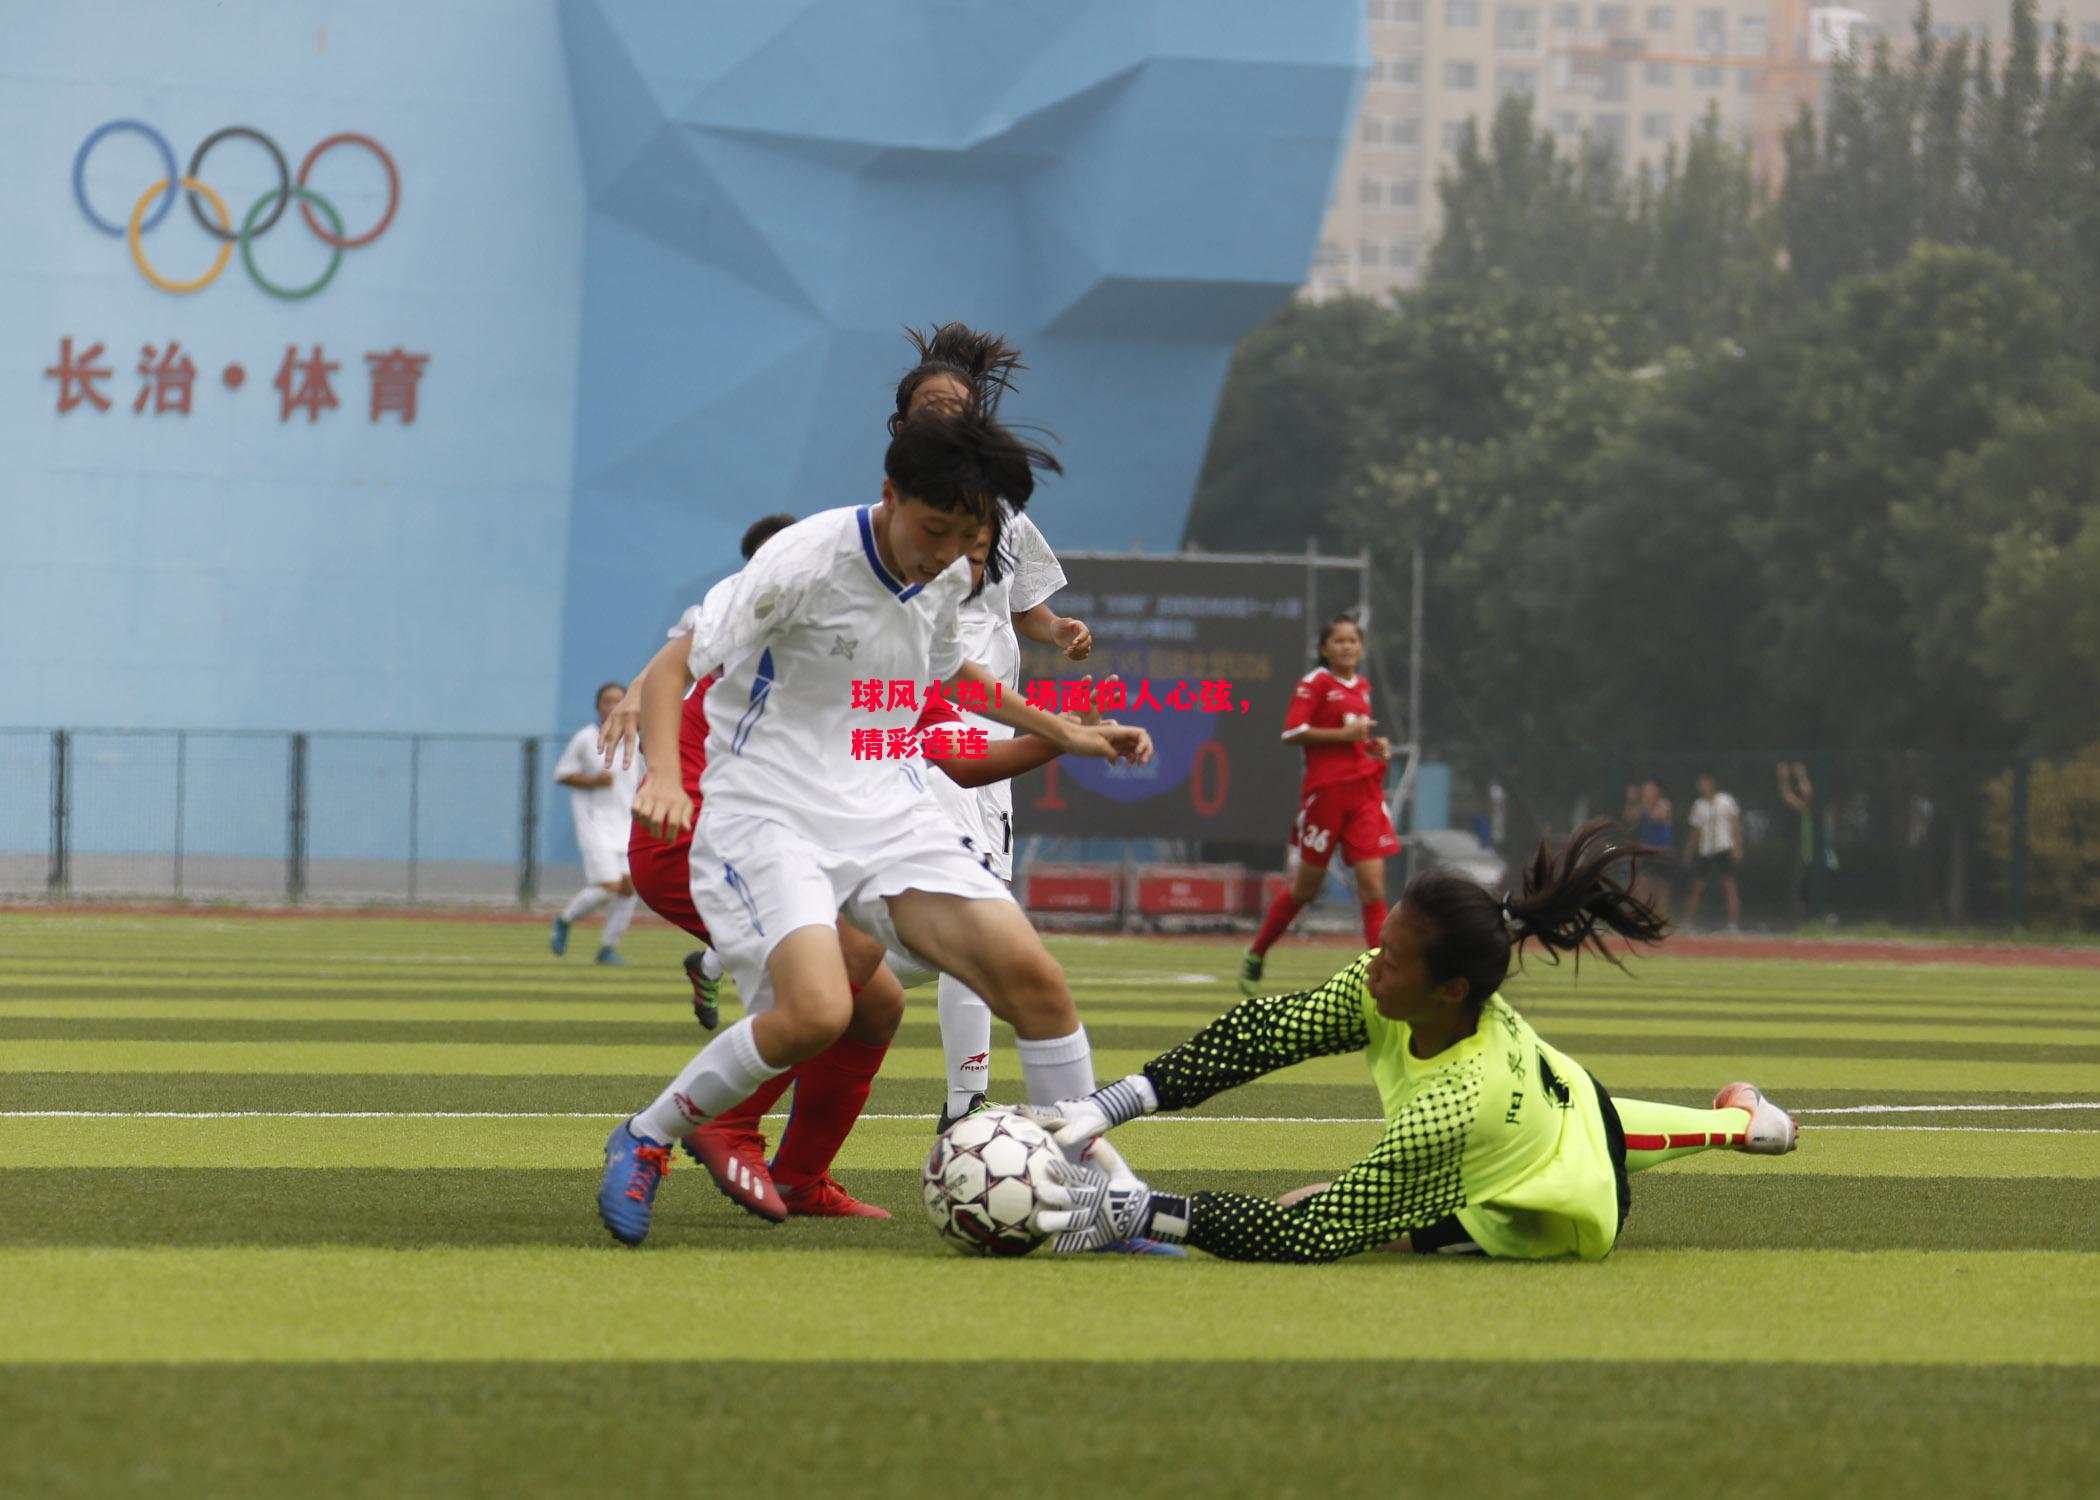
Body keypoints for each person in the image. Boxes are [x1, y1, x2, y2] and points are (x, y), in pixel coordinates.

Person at [596, 407, 1151, 1246]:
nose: (945, 554)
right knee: (817, 1012)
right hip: (768, 814)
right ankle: (648, 1136)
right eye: (934, 530)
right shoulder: (803, 561)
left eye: (967, 538)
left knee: (1033, 981)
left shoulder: (947, 574)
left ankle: (1082, 1207)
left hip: (883, 813)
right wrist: (668, 777)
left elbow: (953, 675)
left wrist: (1065, 729)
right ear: (889, 493)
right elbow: (678, 662)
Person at [1027, 819, 1800, 1261]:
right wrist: (1120, 1100)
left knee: (1317, 1203)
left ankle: (1742, 1124)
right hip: (1569, 1096)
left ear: (1450, 990)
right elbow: (1264, 1032)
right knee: (1599, 1119)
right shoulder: (1386, 984)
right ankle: (1746, 1123)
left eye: (1392, 961)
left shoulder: (1456, 1107)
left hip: (1534, 1198)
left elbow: (1311, 1234)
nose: (1372, 969)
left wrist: (1149, 1211)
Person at [890, 323, 1093, 1132]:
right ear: (900, 428)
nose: (945, 416)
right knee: (975, 909)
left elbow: (1027, 609)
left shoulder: (1005, 515)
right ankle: (966, 1103)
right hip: (929, 723)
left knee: (957, 917)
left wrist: (1060, 632)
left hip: (990, 725)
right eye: (929, 406)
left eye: (958, 406)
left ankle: (771, 960)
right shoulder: (891, 514)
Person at [1238, 615, 1398, 997]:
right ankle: (1257, 952)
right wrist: (1344, 735)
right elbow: (1292, 732)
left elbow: (1353, 739)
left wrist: (1373, 747)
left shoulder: (1362, 686)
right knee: (1306, 889)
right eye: (1339, 641)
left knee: (1373, 888)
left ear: (1361, 647)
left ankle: (1380, 973)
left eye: (1353, 641)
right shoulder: (1316, 683)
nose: (1347, 647)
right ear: (1324, 649)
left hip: (1363, 795)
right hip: (1325, 797)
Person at [549, 682, 643, 965]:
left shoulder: (636, 739)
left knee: (629, 889)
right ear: (598, 706)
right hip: (595, 824)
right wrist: (593, 781)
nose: (613, 705)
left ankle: (606, 948)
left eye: (618, 700)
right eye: (607, 701)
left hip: (627, 824)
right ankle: (565, 920)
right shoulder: (586, 738)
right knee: (608, 886)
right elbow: (562, 775)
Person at [1681, 772, 1743, 933]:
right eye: (1700, 784)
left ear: (1712, 783)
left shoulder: (1726, 801)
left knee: (1729, 885)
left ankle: (1733, 924)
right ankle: (1687, 923)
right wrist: (1689, 851)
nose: (1702, 787)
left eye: (1705, 783)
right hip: (1706, 849)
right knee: (1698, 886)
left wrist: (1737, 847)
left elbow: (1735, 825)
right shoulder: (1698, 805)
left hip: (1723, 847)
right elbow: (1695, 831)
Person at [1634, 777, 1674, 919]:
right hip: (1646, 851)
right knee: (1641, 884)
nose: (1647, 791)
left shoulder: (1664, 804)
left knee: (1661, 887)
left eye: (1650, 789)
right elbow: (1630, 816)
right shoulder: (1643, 805)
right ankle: (1644, 916)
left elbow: (1657, 817)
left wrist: (1646, 804)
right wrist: (1631, 800)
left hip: (1662, 852)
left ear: (1657, 790)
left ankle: (1661, 918)